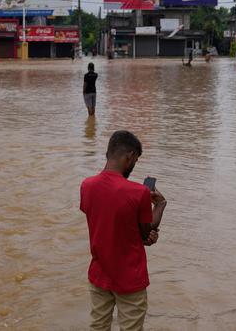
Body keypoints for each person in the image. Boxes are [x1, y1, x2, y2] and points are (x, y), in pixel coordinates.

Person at [80, 131, 166, 331]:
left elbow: (105, 221)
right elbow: (146, 232)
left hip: (100, 273)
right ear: (130, 156)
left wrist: (140, 235)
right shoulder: (140, 192)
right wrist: (160, 204)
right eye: (135, 159)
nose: (134, 164)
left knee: (98, 327)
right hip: (130, 277)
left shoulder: (87, 186)